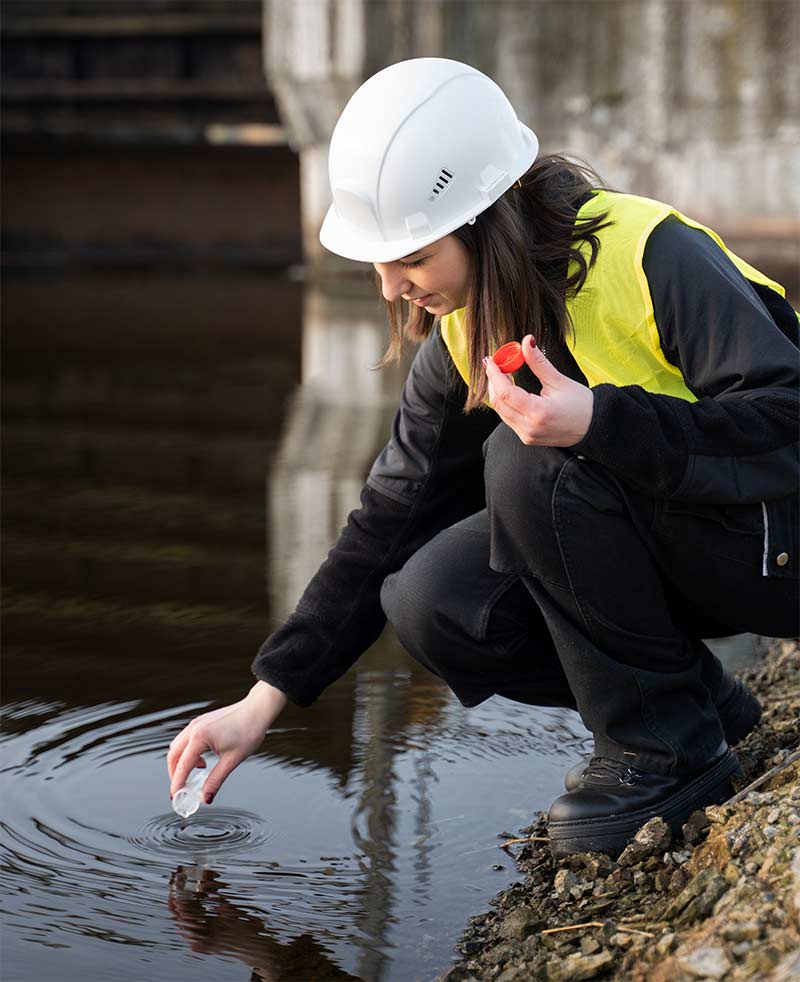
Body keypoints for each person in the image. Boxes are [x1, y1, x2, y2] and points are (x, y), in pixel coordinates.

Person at [168, 58, 799, 857]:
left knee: (528, 460)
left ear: (484, 218)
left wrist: (602, 421)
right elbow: (388, 519)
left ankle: (663, 757)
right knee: (432, 599)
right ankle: (695, 714)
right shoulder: (465, 330)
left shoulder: (650, 255)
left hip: (780, 546)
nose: (394, 287)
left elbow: (788, 419)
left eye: (413, 257)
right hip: (693, 548)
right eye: (380, 260)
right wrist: (266, 697)